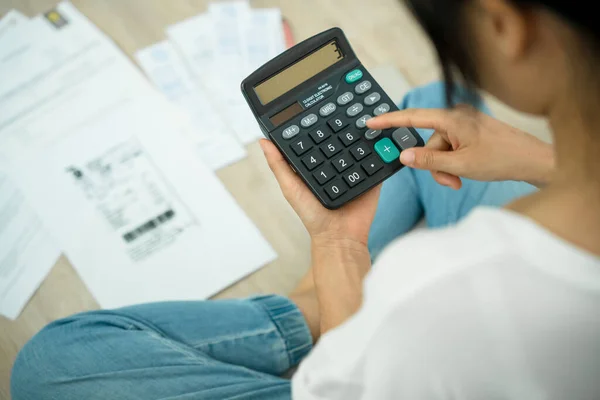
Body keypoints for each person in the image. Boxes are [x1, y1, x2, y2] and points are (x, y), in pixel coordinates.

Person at [11, 0, 600, 398]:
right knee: (431, 104)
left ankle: (308, 310)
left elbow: (350, 384)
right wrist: (541, 161)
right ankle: (312, 306)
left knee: (52, 362)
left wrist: (338, 248)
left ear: (503, 23)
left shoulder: (442, 284)